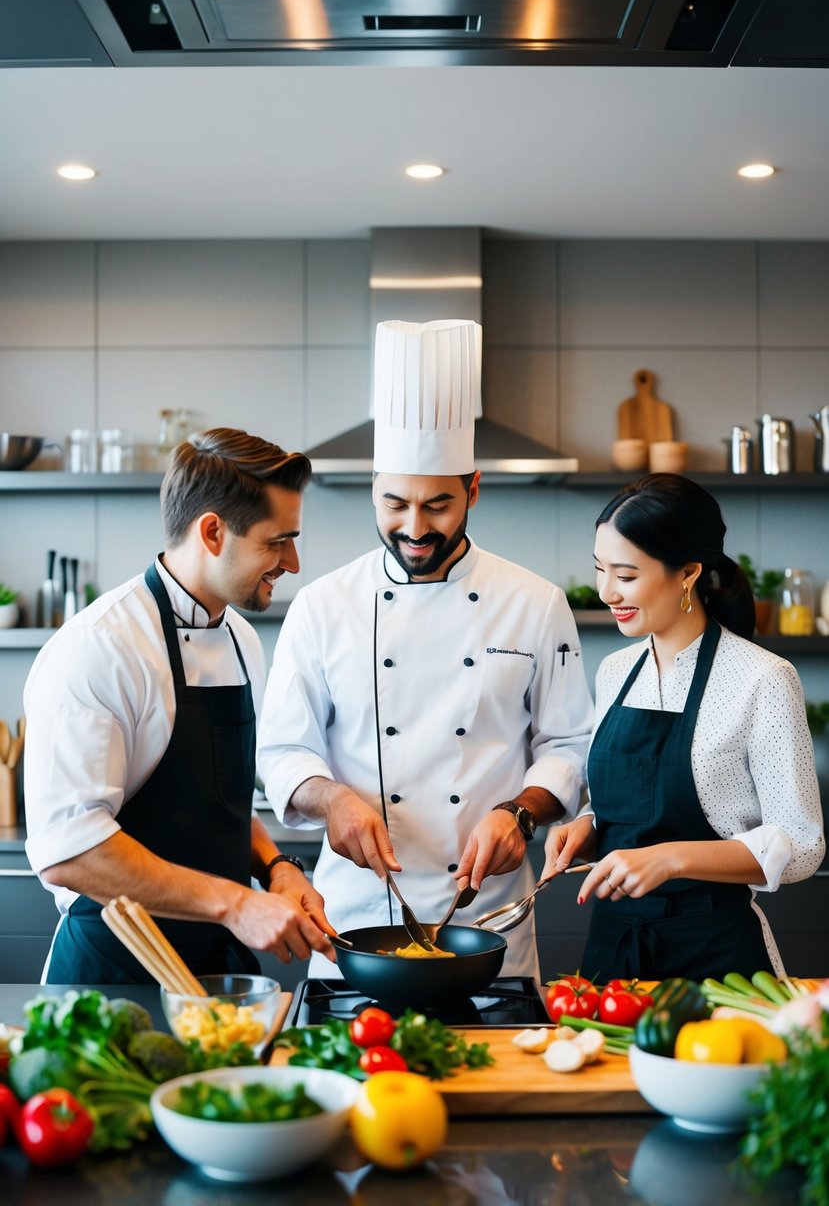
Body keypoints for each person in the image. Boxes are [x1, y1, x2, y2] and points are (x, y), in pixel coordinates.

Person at [258, 320, 594, 979]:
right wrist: (331, 799)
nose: (413, 529)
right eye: (394, 503)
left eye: (437, 504)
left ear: (472, 489)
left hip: (487, 923)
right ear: (372, 491)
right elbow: (281, 750)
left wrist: (519, 816)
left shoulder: (534, 602)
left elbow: (570, 748)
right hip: (352, 920)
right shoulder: (324, 605)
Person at [24, 427, 336, 985]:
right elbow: (68, 850)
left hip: (212, 974)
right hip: (113, 976)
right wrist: (235, 903)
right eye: (276, 541)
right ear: (213, 532)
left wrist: (275, 867)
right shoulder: (99, 648)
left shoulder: (241, 638)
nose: (292, 561)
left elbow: (213, 806)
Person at [543, 472, 825, 981]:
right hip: (613, 953)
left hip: (714, 958)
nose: (607, 592)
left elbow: (802, 845)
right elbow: (624, 804)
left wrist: (672, 859)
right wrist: (587, 827)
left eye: (625, 576)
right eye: (599, 570)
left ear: (688, 573)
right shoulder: (615, 671)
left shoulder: (763, 678)